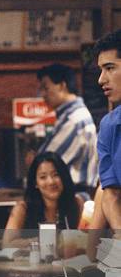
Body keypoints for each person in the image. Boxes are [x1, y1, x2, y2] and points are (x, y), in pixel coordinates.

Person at [36, 63, 98, 194]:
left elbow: (44, 164)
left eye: (46, 88)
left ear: (62, 86)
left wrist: (34, 160)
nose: (42, 94)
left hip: (72, 195)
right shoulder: (69, 116)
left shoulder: (74, 119)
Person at [3, 152, 83, 250]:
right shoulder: (22, 209)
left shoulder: (77, 204)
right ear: (36, 183)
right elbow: (7, 244)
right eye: (43, 177)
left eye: (56, 175)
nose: (51, 181)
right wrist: (41, 241)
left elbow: (89, 239)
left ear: (64, 177)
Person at [94, 29, 121, 233]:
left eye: (110, 68)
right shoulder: (109, 126)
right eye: (101, 70)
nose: (101, 79)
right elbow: (110, 192)